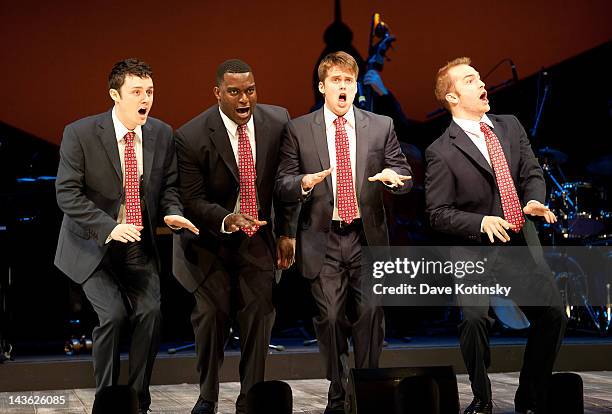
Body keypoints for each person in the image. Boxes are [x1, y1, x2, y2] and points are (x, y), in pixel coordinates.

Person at [55, 58, 198, 413]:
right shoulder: (81, 133)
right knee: (114, 315)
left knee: (150, 314)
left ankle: (136, 401)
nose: (145, 98)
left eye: (149, 91)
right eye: (137, 91)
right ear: (115, 95)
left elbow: (168, 187)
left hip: (137, 245)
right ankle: (107, 400)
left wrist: (172, 213)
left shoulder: (162, 133)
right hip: (93, 244)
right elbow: (66, 194)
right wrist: (109, 226)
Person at [425, 57, 566, 414]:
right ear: (452, 97)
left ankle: (530, 397)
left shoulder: (509, 126)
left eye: (478, 77)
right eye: (470, 80)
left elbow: (531, 171)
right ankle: (482, 396)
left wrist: (533, 199)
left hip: (517, 242)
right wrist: (481, 222)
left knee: (552, 315)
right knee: (474, 320)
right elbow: (438, 214)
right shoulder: (441, 151)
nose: (481, 83)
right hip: (473, 250)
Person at [276, 51, 412, 414]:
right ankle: (338, 393)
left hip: (367, 237)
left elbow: (404, 173)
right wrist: (302, 182)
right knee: (331, 317)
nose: (343, 87)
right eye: (335, 80)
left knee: (370, 315)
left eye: (348, 81)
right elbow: (283, 183)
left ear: (355, 87)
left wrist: (395, 181)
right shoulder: (299, 129)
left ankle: (369, 393)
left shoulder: (380, 126)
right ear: (322, 87)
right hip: (325, 238)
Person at [172, 59, 297, 414]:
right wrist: (228, 218)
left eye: (250, 90)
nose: (245, 99)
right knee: (211, 315)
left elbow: (285, 185)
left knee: (260, 311)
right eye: (235, 92)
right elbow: (192, 200)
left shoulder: (278, 122)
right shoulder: (191, 135)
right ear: (218, 94)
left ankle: (251, 398)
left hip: (256, 238)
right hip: (209, 243)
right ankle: (207, 397)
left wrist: (287, 231)